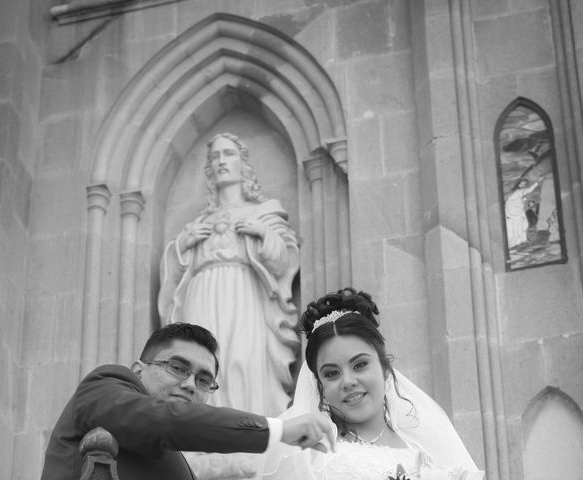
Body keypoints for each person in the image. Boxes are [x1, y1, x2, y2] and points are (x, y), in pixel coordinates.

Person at [40, 323, 334, 480]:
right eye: (177, 367)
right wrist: (278, 431)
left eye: (204, 379)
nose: (190, 385)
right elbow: (164, 420)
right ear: (138, 370)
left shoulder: (181, 465)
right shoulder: (104, 385)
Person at [260, 288, 484, 480]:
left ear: (385, 368)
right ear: (320, 386)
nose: (347, 381)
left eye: (359, 365)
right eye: (331, 373)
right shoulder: (309, 457)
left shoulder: (425, 453)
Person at [158, 133, 300, 416]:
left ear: (243, 165)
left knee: (241, 360)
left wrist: (262, 233)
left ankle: (246, 428)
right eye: (215, 156)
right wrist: (183, 246)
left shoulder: (263, 213)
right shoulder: (197, 224)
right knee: (201, 360)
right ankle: (200, 434)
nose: (222, 161)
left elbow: (284, 263)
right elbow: (173, 278)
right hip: (201, 295)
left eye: (229, 154)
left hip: (245, 295)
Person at [505, 177, 541, 248]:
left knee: (520, 225)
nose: (522, 185)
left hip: (519, 212)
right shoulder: (512, 192)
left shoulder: (522, 191)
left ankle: (519, 240)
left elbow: (530, 190)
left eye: (524, 184)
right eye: (521, 183)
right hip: (511, 211)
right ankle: (513, 242)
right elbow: (508, 199)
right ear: (518, 183)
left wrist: (537, 182)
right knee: (512, 227)